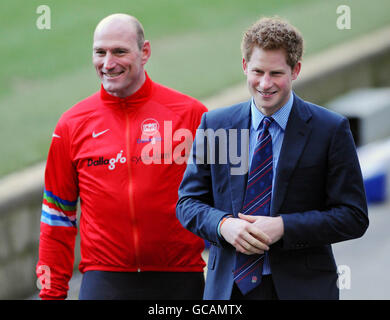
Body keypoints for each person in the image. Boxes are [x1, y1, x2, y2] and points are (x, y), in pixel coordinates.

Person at [176, 16, 369, 300]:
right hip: (229, 291)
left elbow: (353, 216)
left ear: (296, 70)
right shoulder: (215, 125)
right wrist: (223, 225)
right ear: (244, 66)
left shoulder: (330, 129)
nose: (265, 84)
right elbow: (188, 203)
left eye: (276, 73)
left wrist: (284, 227)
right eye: (257, 71)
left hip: (302, 289)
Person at [36, 13, 208, 300]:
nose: (108, 63)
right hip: (104, 279)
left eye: (119, 51)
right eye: (100, 52)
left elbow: (228, 199)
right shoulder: (70, 126)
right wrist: (51, 294)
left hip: (181, 276)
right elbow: (57, 217)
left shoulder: (192, 115)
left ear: (145, 52)